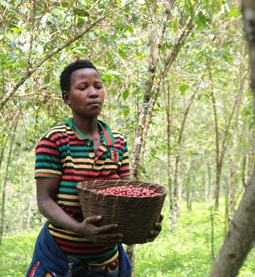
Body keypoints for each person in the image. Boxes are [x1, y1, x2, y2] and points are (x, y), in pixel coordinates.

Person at [26, 59, 163, 277]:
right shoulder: (55, 140)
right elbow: (44, 202)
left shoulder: (117, 141)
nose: (93, 93)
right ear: (66, 98)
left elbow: (126, 198)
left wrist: (144, 226)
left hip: (109, 264)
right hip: (61, 260)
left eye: (98, 86)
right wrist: (81, 229)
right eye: (83, 87)